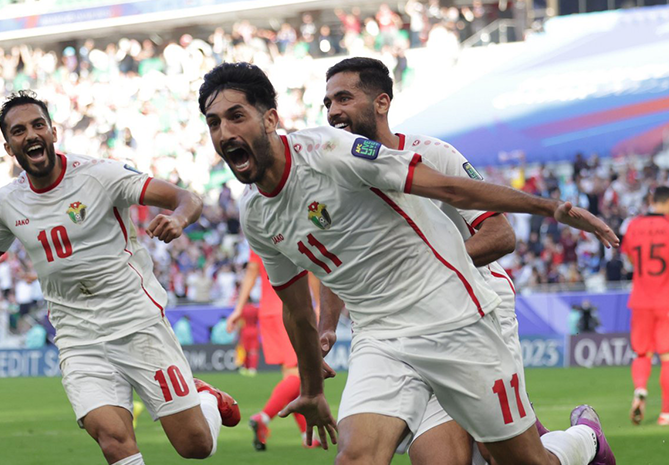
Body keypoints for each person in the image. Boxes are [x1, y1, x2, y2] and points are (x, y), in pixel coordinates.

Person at [198, 62, 618, 464]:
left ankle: (585, 440)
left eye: (236, 116)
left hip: (453, 319)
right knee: (357, 457)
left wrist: (551, 208)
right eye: (214, 123)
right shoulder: (254, 213)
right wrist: (311, 387)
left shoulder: (333, 151)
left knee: (520, 459)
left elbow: (453, 190)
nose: (224, 131)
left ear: (270, 119)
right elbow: (299, 304)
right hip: (379, 337)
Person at [0, 90, 239, 465]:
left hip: (136, 323)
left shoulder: (100, 175)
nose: (31, 135)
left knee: (194, 446)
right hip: (77, 337)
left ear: (53, 131)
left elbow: (187, 197)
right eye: (19, 131)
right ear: (9, 148)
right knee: (113, 440)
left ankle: (206, 400)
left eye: (38, 125)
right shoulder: (7, 202)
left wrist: (179, 219)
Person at [318, 56, 550, 465]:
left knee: (497, 454)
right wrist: (325, 329)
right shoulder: (332, 178)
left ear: (381, 103)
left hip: (474, 308)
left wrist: (424, 270)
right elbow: (334, 261)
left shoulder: (432, 154)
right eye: (328, 103)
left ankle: (580, 442)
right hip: (392, 325)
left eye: (344, 98)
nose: (333, 111)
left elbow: (500, 235)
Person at [225, 250, 316, 450]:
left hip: (267, 311)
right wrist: (318, 306)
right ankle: (263, 418)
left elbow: (252, 270)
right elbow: (312, 267)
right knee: (298, 376)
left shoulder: (257, 224)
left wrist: (239, 308)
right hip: (291, 307)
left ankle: (306, 437)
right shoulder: (291, 224)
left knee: (290, 377)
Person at [620, 185, 669, 426]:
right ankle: (666, 414)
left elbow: (629, 257)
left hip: (640, 298)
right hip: (666, 299)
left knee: (642, 353)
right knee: (668, 357)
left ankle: (640, 390)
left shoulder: (634, 225)